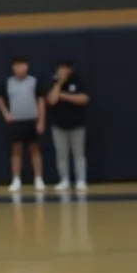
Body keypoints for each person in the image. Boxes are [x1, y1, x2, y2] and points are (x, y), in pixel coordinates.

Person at [0, 56, 47, 193]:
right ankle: (16, 179)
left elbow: (41, 101)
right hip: (16, 121)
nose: (21, 68)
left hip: (32, 120)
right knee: (16, 150)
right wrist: (6, 114)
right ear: (13, 68)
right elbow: (0, 99)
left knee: (35, 150)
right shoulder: (8, 82)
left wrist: (41, 121)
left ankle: (38, 178)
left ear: (27, 67)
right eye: (18, 65)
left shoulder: (33, 81)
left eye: (24, 65)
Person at [46, 60, 90, 193]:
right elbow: (51, 100)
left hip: (77, 125)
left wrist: (64, 96)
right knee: (61, 154)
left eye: (65, 68)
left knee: (79, 154)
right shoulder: (54, 82)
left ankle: (81, 180)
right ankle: (64, 180)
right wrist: (59, 83)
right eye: (60, 68)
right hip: (59, 126)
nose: (62, 71)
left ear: (70, 70)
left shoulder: (78, 80)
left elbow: (84, 99)